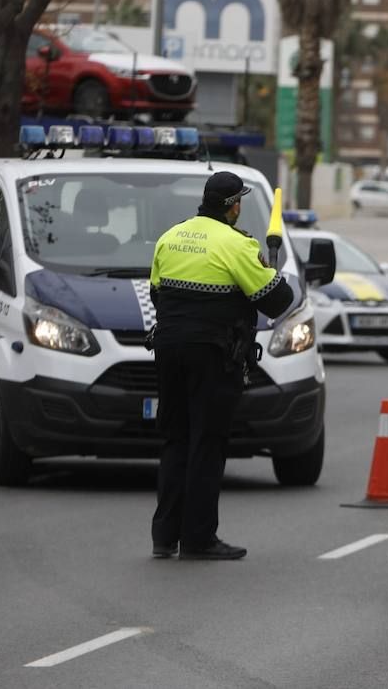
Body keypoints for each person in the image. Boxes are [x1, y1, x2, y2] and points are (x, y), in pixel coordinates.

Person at [148, 171, 294, 561]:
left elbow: (156, 293)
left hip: (168, 349)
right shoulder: (236, 245)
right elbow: (278, 301)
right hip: (213, 355)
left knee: (176, 439)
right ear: (234, 206)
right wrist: (268, 268)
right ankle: (198, 539)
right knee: (207, 442)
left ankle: (164, 538)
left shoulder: (171, 237)